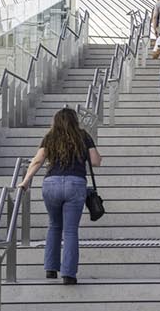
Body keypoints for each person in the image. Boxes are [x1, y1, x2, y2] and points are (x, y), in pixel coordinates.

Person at [18, 106, 100, 286]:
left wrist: (26, 181)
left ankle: (51, 268)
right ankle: (69, 274)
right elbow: (95, 161)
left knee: (54, 226)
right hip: (75, 184)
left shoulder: (50, 137)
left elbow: (38, 160)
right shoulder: (83, 136)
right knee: (70, 231)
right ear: (75, 121)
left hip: (51, 184)